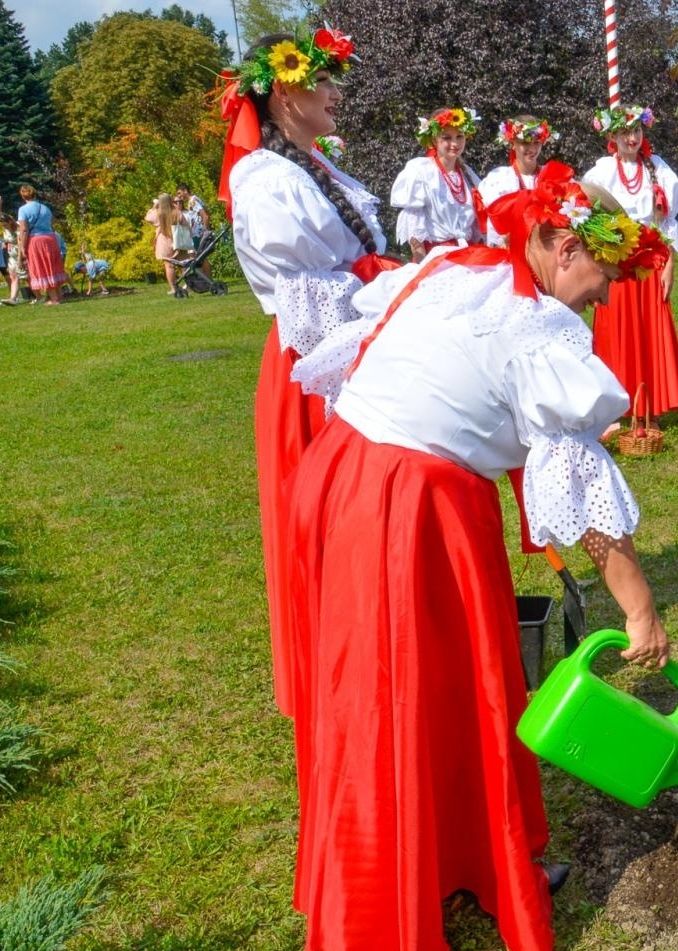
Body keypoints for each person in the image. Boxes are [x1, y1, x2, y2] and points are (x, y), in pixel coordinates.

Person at [282, 163, 672, 951]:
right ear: (566, 247)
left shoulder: (458, 269)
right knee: (420, 692)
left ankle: (434, 864)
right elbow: (584, 500)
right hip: (410, 505)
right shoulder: (539, 330)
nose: (606, 297)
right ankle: (395, 899)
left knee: (399, 691)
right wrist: (640, 609)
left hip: (343, 472)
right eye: (606, 276)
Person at [218, 26, 393, 722]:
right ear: (285, 91)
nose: (334, 92)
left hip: (350, 346)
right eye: (324, 80)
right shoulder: (266, 180)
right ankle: (340, 674)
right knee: (332, 514)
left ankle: (371, 658)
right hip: (319, 365)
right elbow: (315, 303)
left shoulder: (309, 167)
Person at [583, 103, 678, 430]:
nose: (632, 138)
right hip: (616, 262)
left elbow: (666, 223)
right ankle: (615, 408)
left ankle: (648, 407)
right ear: (613, 136)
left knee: (647, 333)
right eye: (626, 132)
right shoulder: (603, 172)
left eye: (637, 131)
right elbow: (589, 220)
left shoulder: (658, 169)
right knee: (616, 333)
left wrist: (669, 265)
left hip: (650, 261)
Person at [391, 107, 484, 258]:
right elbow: (415, 225)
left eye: (459, 136)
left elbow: (477, 228)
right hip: (437, 256)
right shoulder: (421, 170)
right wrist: (421, 264)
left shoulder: (467, 173)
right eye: (447, 138)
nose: (455, 143)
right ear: (435, 140)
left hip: (469, 254)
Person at [479, 115, 558, 247]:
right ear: (513, 143)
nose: (532, 149)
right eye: (525, 143)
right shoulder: (500, 179)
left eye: (537, 143)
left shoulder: (553, 175)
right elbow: (496, 229)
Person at [15, 185, 67, 306]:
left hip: (36, 240)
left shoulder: (23, 209)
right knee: (53, 267)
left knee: (43, 267)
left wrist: (22, 247)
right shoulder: (45, 208)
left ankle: (54, 299)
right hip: (51, 238)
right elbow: (51, 224)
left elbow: (24, 230)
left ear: (23, 196)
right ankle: (59, 296)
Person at [145, 193, 187, 296]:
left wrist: (154, 207)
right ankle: (188, 285)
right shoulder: (176, 212)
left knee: (169, 266)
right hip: (177, 241)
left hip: (164, 242)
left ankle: (173, 288)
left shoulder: (157, 214)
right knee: (184, 264)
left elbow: (147, 218)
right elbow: (185, 224)